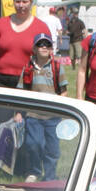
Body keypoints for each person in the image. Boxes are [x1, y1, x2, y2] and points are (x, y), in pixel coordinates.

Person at [0, 0, 51, 88]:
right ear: (13, 2)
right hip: (0, 81)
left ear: (31, 3)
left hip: (28, 81)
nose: (21, 5)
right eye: (18, 2)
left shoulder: (41, 27)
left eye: (25, 2)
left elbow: (47, 58)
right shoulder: (1, 24)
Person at [19, 34, 66, 181]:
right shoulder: (28, 67)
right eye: (40, 44)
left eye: (47, 44)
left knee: (53, 149)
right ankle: (34, 171)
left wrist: (63, 110)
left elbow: (63, 91)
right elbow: (21, 92)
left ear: (52, 48)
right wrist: (19, 113)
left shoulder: (57, 66)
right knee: (33, 144)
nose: (44, 47)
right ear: (34, 48)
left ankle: (50, 177)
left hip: (53, 116)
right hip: (33, 115)